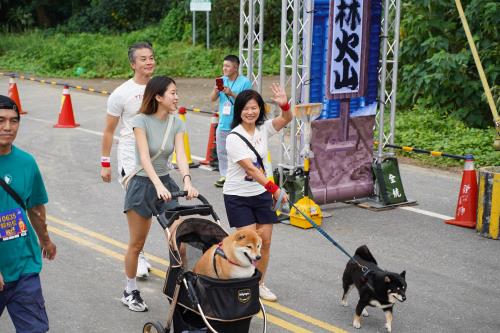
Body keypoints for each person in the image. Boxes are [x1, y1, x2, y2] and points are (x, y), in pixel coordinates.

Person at [121, 76, 199, 312]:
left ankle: (181, 288)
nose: (176, 97)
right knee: (137, 244)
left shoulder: (176, 122)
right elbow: (144, 157)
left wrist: (186, 180)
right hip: (143, 185)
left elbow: (181, 156)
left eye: (176, 92)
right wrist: (157, 185)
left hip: (166, 182)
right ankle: (130, 290)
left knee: (179, 242)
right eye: (172, 93)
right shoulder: (140, 121)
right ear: (158, 97)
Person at [223, 84, 292, 302]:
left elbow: (286, 119)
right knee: (248, 244)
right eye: (246, 108)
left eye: (254, 108)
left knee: (265, 243)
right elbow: (251, 169)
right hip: (238, 197)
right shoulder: (233, 137)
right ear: (239, 111)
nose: (250, 112)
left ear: (260, 109)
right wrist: (275, 189)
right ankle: (241, 283)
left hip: (260, 194)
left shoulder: (263, 128)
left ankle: (259, 283)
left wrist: (284, 104)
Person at [0, 95, 57, 332]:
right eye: (1, 120)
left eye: (14, 121)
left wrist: (45, 239)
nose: (8, 127)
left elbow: (35, 206)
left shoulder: (26, 162)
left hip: (23, 265)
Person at [101, 41, 155, 278]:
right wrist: (105, 162)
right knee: (138, 209)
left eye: (151, 57)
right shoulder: (121, 93)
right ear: (133, 64)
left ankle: (142, 250)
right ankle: (139, 254)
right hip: (130, 158)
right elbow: (109, 130)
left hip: (155, 158)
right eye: (143, 59)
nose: (149, 62)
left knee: (155, 209)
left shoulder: (160, 87)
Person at [210, 55, 252, 187]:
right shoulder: (221, 80)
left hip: (239, 123)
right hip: (223, 122)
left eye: (227, 66)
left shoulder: (245, 82)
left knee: (240, 151)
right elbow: (211, 99)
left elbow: (247, 100)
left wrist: (231, 93)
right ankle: (224, 175)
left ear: (235, 67)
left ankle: (244, 174)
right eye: (223, 66)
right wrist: (216, 91)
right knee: (222, 151)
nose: (224, 69)